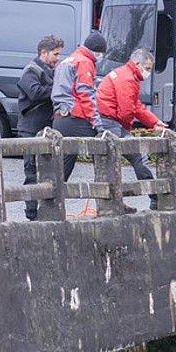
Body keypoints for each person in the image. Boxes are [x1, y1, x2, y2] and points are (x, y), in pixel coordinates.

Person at [97, 47, 169, 211]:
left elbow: (135, 106)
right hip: (111, 122)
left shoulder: (124, 74)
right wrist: (127, 128)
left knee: (124, 159)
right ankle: (149, 197)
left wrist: (154, 121)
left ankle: (148, 197)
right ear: (138, 64)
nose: (148, 73)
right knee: (126, 159)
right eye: (148, 68)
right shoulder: (128, 80)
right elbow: (127, 110)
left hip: (109, 120)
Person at [51, 30, 108, 184]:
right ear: (97, 51)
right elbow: (86, 95)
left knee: (64, 165)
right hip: (74, 117)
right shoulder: (84, 62)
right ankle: (109, 198)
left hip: (60, 118)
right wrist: (98, 124)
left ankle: (50, 202)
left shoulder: (67, 60)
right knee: (105, 146)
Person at [17, 34, 62, 221]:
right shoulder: (31, 70)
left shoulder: (51, 70)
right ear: (44, 52)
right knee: (31, 172)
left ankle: (45, 209)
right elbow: (34, 93)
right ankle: (31, 213)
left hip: (46, 127)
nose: (57, 58)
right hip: (30, 127)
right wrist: (57, 89)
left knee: (48, 171)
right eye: (55, 54)